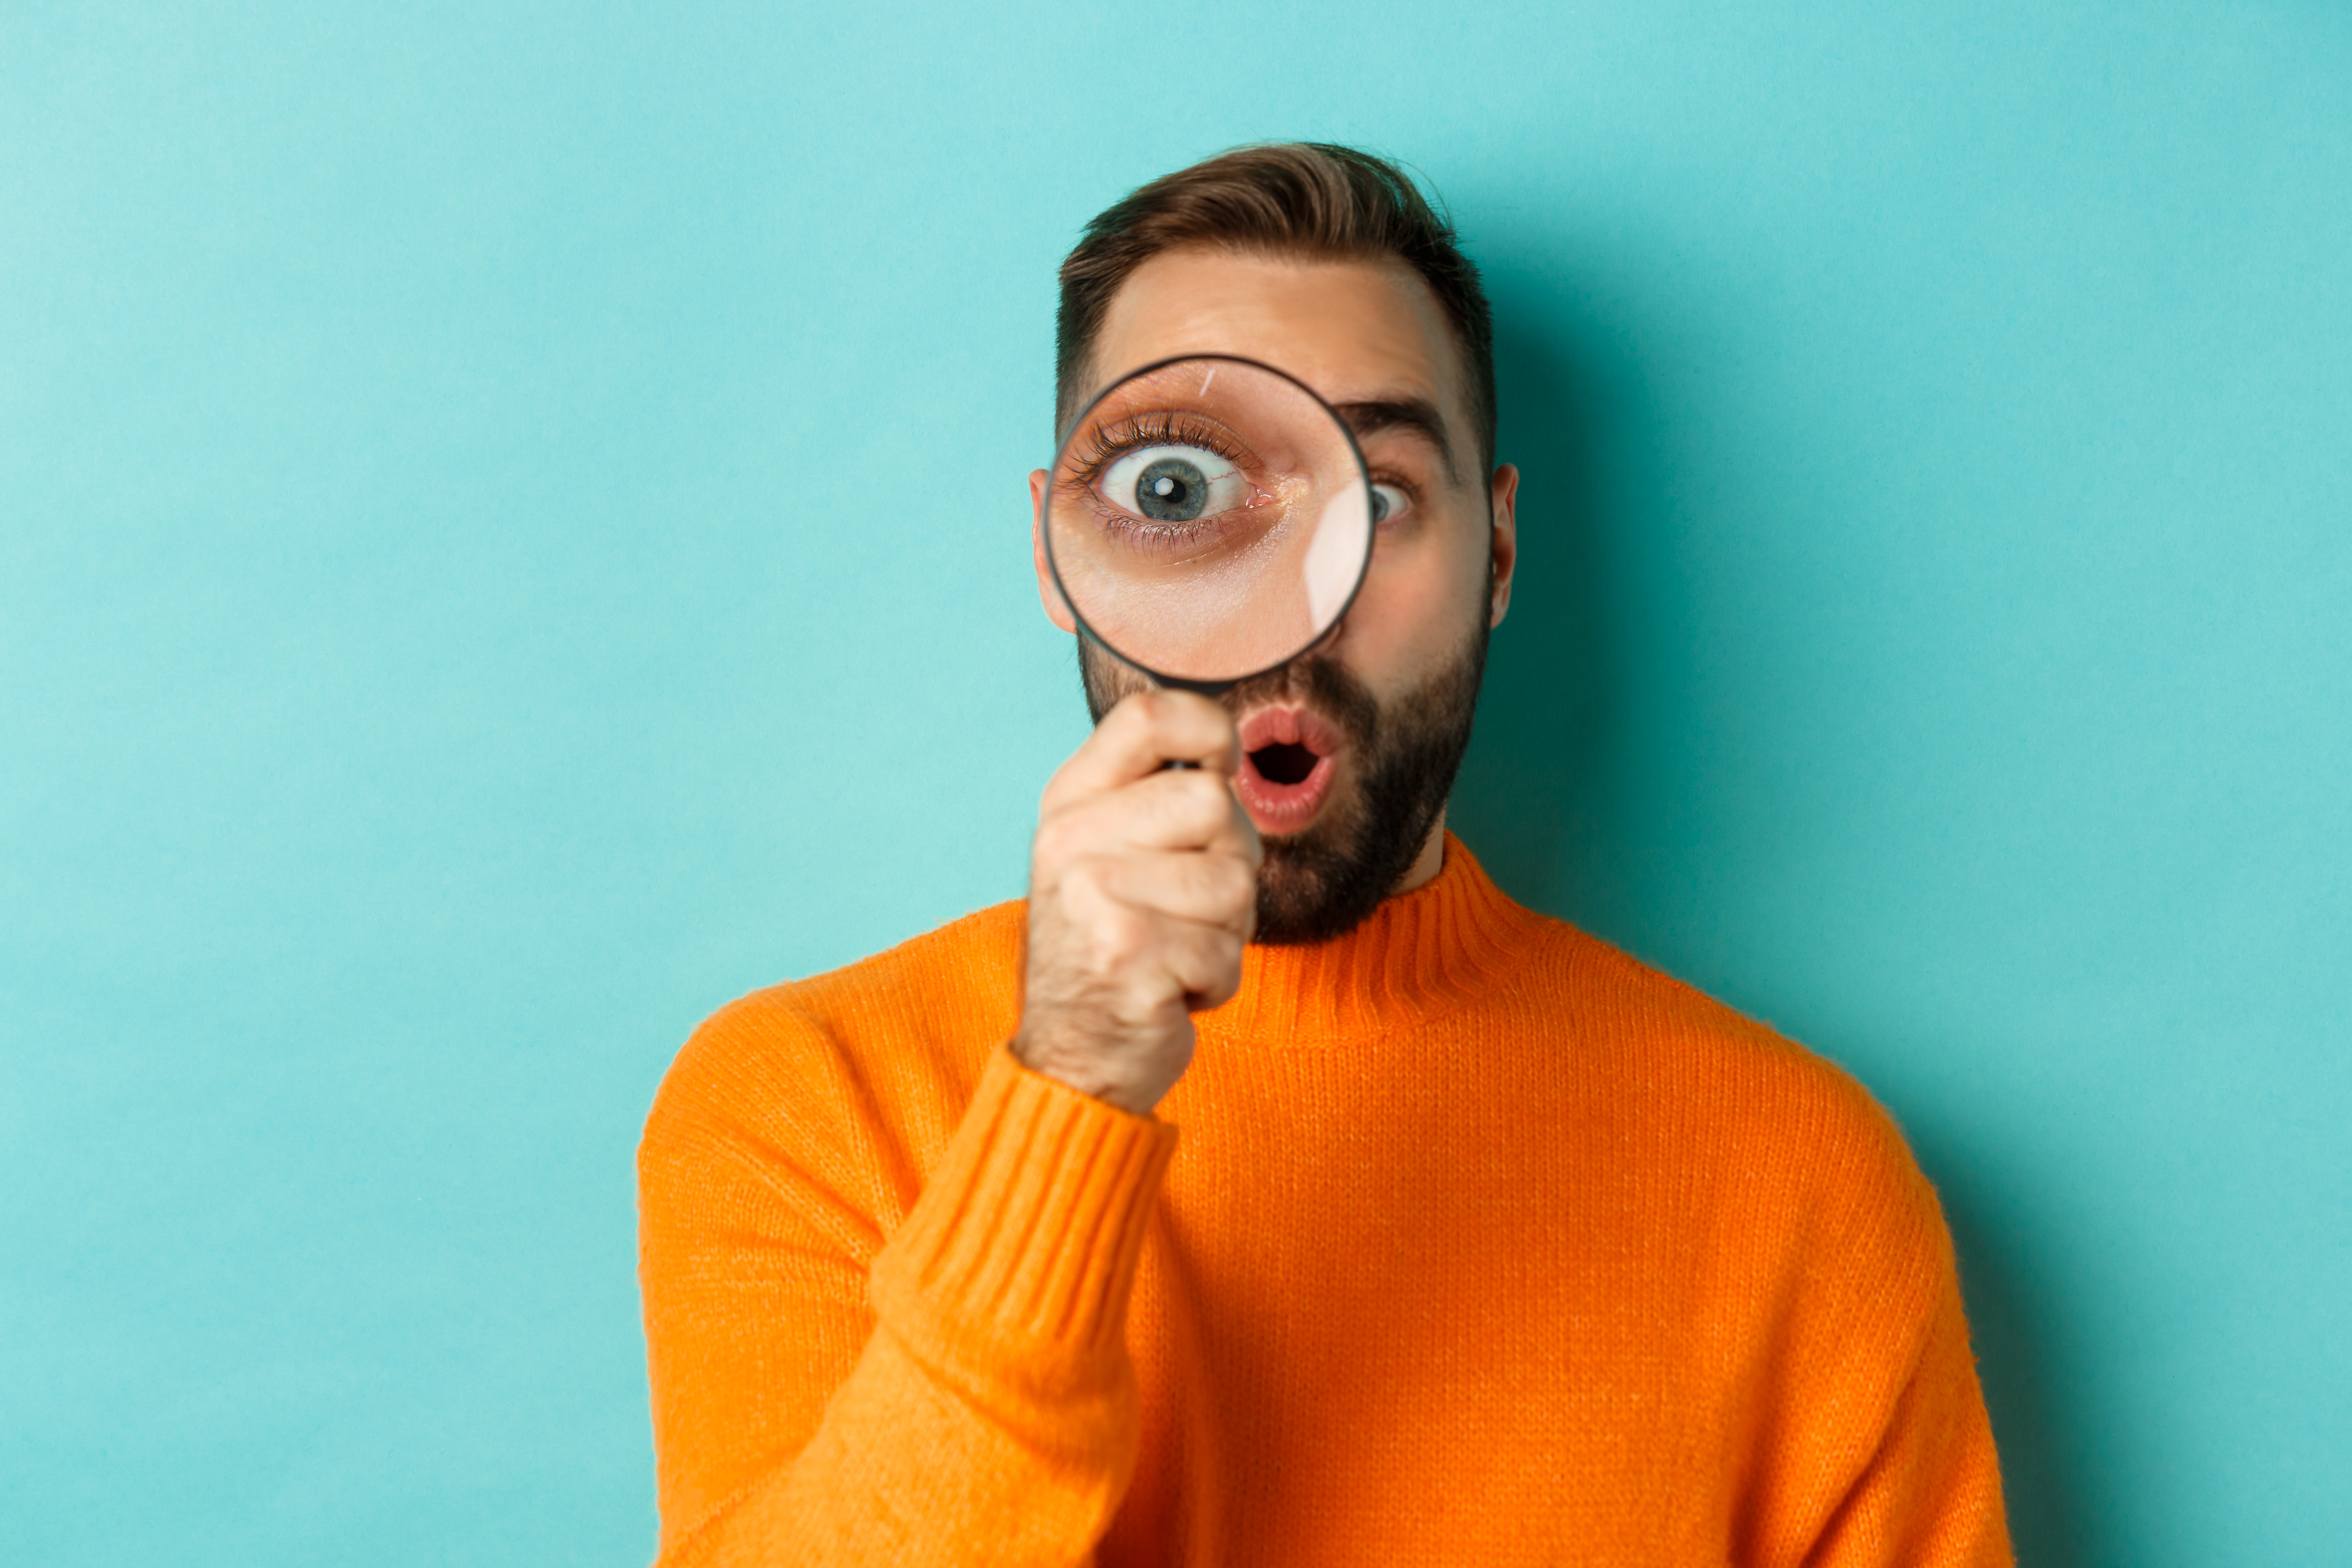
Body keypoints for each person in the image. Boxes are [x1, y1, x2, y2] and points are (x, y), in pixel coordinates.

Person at [636, 143, 2013, 1566]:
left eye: (1387, 494)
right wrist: (1067, 1101)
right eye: (1177, 493)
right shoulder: (807, 1105)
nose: (1295, 612)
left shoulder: (1803, 1180)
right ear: (1056, 559)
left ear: (1499, 557)